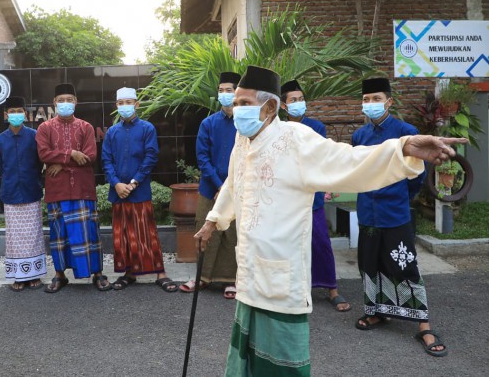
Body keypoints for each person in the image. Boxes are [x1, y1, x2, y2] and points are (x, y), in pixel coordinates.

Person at [194, 66, 464, 376]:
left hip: (281, 278)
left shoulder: (296, 140)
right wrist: (214, 220)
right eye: (236, 103)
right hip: (250, 271)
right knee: (248, 357)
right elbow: (234, 181)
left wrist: (401, 149)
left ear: (269, 107)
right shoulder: (243, 140)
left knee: (281, 362)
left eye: (244, 103)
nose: (236, 109)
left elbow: (348, 160)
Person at [352, 78, 447, 357]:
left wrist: (400, 197)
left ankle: (424, 326)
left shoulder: (406, 132)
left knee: (405, 265)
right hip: (367, 212)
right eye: (366, 99)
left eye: (376, 98)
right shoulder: (359, 135)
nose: (370, 104)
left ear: (389, 101)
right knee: (369, 264)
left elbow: (416, 175)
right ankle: (378, 312)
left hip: (395, 212)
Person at [280, 79, 351, 312]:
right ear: (283, 106)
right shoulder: (277, 129)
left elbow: (321, 157)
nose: (298, 103)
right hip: (288, 196)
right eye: (293, 100)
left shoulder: (317, 127)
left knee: (321, 241)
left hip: (312, 194)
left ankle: (332, 289)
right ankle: (296, 290)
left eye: (301, 99)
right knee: (290, 245)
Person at [36, 83, 111, 292]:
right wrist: (71, 154)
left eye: (69, 99)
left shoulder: (86, 127)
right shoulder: (45, 128)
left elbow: (90, 156)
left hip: (82, 189)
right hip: (58, 190)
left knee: (89, 232)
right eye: (61, 100)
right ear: (54, 103)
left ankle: (98, 273)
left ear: (76, 102)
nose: (65, 103)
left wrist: (60, 162)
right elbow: (43, 154)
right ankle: (60, 275)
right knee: (59, 234)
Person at [101, 87, 178, 293]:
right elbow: (106, 160)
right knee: (124, 234)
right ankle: (129, 273)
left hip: (139, 189)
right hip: (118, 191)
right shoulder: (112, 132)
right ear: (116, 106)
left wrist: (134, 183)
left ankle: (160, 273)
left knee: (147, 232)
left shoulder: (147, 128)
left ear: (136, 104)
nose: (124, 106)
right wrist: (117, 184)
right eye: (120, 103)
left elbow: (151, 157)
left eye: (129, 102)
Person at [180, 72, 240, 299]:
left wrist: (227, 187)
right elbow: (202, 158)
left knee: (232, 234)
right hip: (210, 188)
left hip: (236, 188)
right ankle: (202, 277)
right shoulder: (208, 123)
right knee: (206, 231)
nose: (224, 94)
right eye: (221, 90)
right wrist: (217, 184)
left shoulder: (245, 123)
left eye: (229, 90)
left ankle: (231, 280)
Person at [0, 96, 46, 292]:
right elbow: (3, 164)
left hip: (31, 190)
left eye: (19, 111)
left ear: (25, 114)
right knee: (15, 237)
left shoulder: (34, 136)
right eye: (12, 111)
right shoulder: (0, 140)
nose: (16, 114)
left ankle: (34, 275)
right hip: (10, 192)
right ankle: (18, 276)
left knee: (33, 234)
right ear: (6, 115)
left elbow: (40, 162)